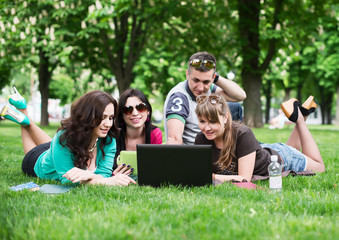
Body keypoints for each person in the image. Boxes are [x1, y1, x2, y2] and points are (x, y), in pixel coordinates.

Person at [0, 88, 136, 186]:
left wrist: (89, 175)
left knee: (55, 144)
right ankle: (24, 118)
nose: (108, 124)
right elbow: (67, 179)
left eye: (111, 118)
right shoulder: (64, 138)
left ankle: (24, 116)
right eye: (102, 117)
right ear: (88, 116)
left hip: (58, 149)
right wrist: (106, 181)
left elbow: (105, 174)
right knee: (36, 150)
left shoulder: (109, 139)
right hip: (37, 160)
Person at [194, 94, 325, 183]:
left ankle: (300, 119)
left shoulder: (242, 134)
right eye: (202, 121)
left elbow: (244, 178)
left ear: (225, 118)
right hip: (262, 151)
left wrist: (213, 177)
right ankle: (302, 114)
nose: (206, 128)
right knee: (292, 147)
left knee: (319, 167)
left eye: (212, 122)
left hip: (284, 158)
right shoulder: (201, 138)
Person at [164, 51, 246, 145]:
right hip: (196, 154)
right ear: (187, 75)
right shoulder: (179, 98)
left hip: (214, 146)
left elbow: (240, 96)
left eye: (206, 82)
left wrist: (215, 78)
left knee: (235, 107)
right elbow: (174, 139)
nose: (200, 88)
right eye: (196, 80)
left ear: (212, 79)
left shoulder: (209, 89)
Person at [115, 89, 162, 168]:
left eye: (141, 107)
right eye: (128, 109)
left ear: (148, 111)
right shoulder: (113, 136)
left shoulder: (155, 133)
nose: (135, 113)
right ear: (121, 115)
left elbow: (157, 166)